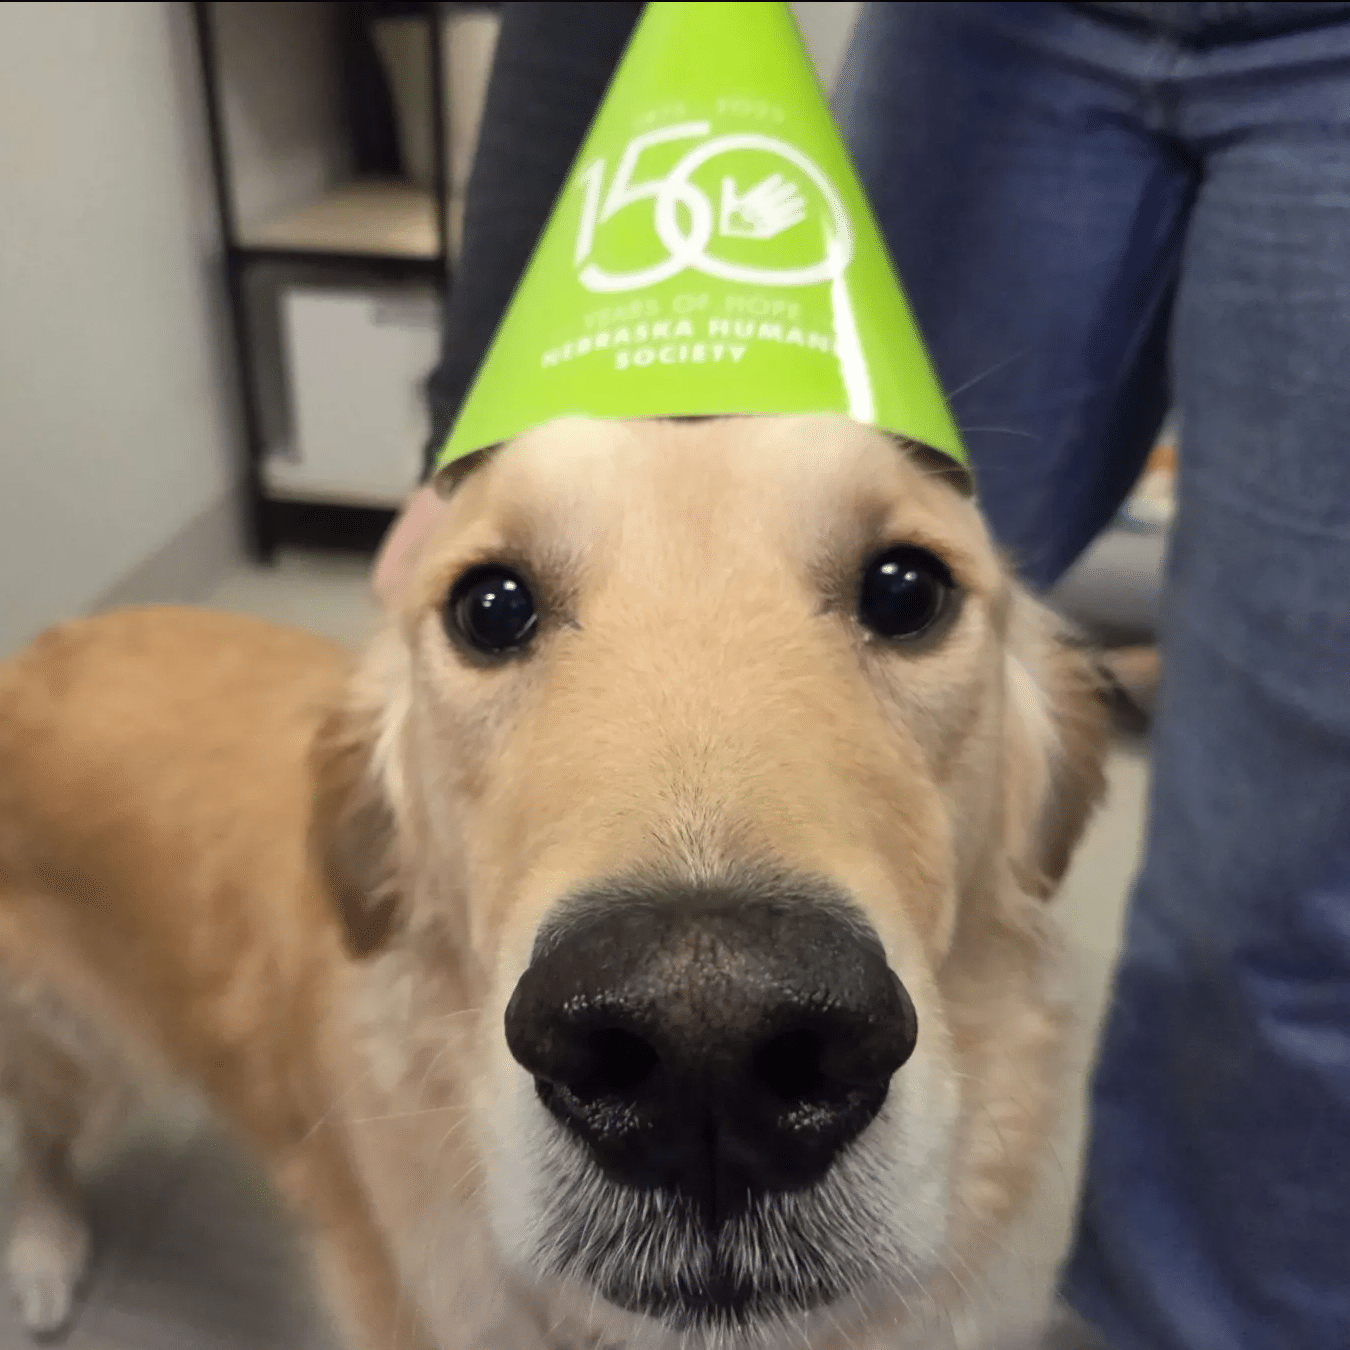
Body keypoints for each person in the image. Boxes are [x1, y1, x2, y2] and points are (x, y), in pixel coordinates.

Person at [374, 5, 1350, 1347]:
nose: (697, 1024)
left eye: (900, 597)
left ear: (1048, 797)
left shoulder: (1038, 747)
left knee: (1286, 890)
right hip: (992, 31)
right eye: (497, 609)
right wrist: (457, 449)